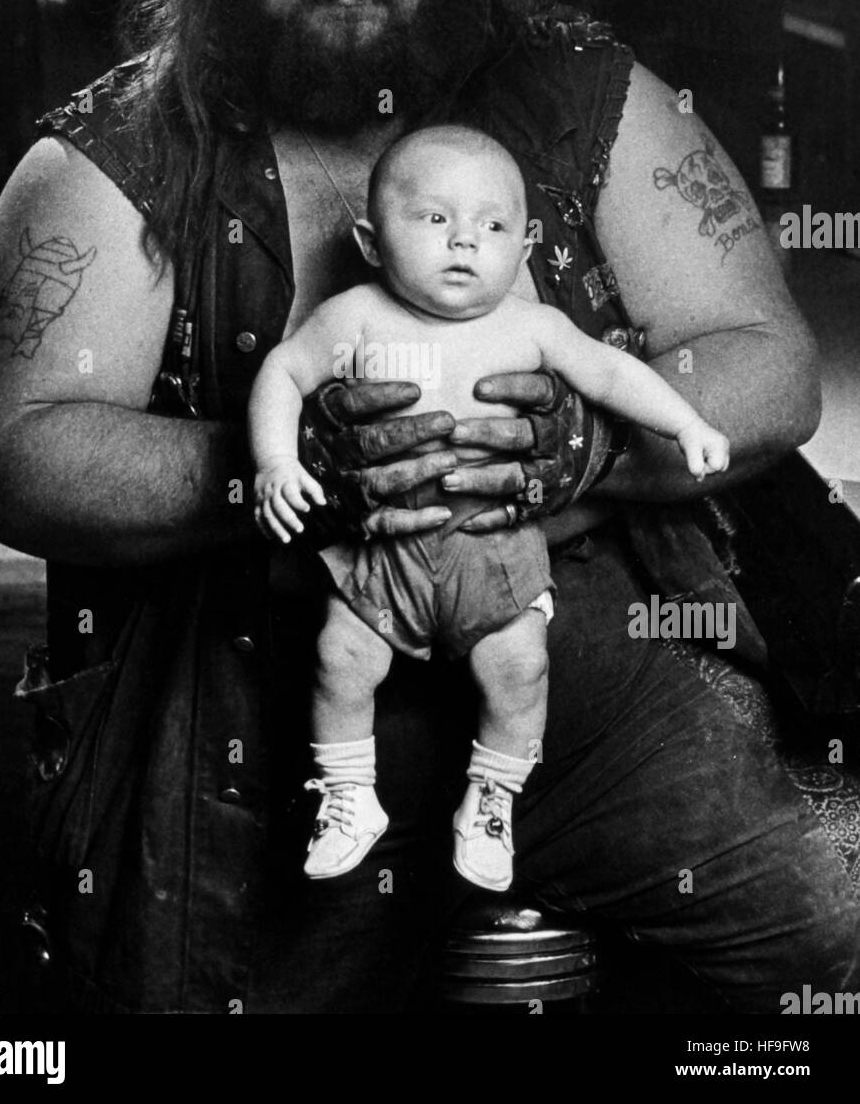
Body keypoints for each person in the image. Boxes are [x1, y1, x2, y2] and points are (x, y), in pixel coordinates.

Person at [0, 0, 858, 1013]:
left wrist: (584, 442)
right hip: (259, 691)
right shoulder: (119, 154)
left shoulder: (583, 95)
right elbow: (5, 451)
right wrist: (286, 466)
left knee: (827, 946)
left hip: (582, 655)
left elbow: (771, 361)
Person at [250, 124, 730, 890]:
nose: (465, 242)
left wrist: (687, 424)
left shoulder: (532, 327)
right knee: (339, 661)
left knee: (521, 669)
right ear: (372, 243)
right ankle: (347, 796)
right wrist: (276, 461)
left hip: (495, 548)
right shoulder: (355, 318)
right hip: (386, 551)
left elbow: (611, 373)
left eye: (493, 226)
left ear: (528, 243)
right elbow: (281, 371)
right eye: (435, 219)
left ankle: (494, 798)